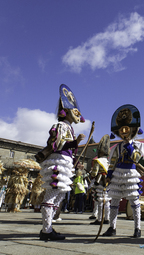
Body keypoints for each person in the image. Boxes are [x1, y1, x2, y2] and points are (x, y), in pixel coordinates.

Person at [37, 84, 86, 241]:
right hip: (58, 162)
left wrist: (75, 143)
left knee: (60, 196)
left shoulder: (68, 127)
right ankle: (46, 230)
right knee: (51, 196)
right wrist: (75, 142)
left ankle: (48, 228)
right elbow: (58, 145)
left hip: (65, 163)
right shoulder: (60, 126)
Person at [103, 104, 144, 238]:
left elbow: (136, 158)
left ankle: (137, 228)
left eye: (126, 129)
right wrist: (109, 176)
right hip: (117, 174)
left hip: (131, 174)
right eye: (121, 129)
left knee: (134, 201)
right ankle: (112, 227)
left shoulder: (140, 145)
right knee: (114, 202)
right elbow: (112, 163)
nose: (123, 131)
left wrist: (128, 145)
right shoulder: (116, 147)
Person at [89, 134, 111, 225]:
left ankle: (99, 219)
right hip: (108, 182)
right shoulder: (108, 161)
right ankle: (107, 218)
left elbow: (94, 173)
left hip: (100, 182)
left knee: (100, 201)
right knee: (107, 201)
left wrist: (91, 173)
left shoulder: (97, 161)